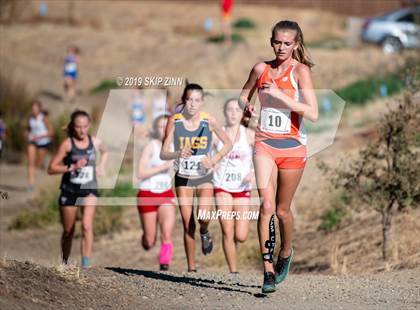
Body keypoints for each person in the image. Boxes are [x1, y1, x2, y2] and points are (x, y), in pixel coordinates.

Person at [239, 20, 318, 293]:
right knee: (267, 207)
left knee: (283, 211)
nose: (281, 47)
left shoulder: (301, 72)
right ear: (270, 41)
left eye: (287, 43)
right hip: (264, 144)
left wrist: (282, 98)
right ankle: (267, 270)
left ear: (295, 44)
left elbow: (313, 112)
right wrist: (245, 107)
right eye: (277, 42)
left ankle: (285, 253)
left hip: (293, 147)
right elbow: (243, 95)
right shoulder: (261, 68)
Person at [160, 83, 232, 272]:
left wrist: (214, 158)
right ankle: (191, 268)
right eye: (189, 99)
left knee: (203, 216)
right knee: (187, 222)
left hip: (204, 176)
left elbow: (227, 143)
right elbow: (163, 152)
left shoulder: (209, 121)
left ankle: (205, 231)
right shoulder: (174, 121)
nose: (192, 104)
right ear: (184, 100)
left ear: (202, 102)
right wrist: (178, 153)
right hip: (183, 177)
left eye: (197, 100)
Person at [48, 110, 108, 268]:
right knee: (68, 231)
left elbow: (106, 151)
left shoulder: (95, 142)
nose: (82, 130)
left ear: (89, 125)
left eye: (85, 126)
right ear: (73, 127)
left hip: (89, 190)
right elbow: (51, 168)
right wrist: (72, 166)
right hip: (69, 191)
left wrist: (101, 166)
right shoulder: (67, 144)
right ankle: (65, 262)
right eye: (78, 127)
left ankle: (86, 265)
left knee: (87, 226)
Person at [213, 98, 254, 273]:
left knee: (241, 235)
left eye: (237, 110)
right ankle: (233, 272)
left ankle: (234, 253)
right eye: (229, 109)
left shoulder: (249, 134)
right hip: (222, 186)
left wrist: (253, 172)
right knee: (227, 231)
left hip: (242, 187)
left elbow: (262, 156)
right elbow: (204, 155)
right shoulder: (217, 134)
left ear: (242, 113)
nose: (233, 113)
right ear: (224, 112)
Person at [136, 114, 176, 271]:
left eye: (167, 126)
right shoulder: (151, 146)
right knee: (150, 239)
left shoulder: (175, 147)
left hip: (166, 194)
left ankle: (164, 264)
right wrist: (163, 167)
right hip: (147, 195)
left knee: (167, 233)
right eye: (160, 126)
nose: (164, 129)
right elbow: (140, 173)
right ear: (155, 130)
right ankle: (146, 240)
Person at [26, 100, 53, 191]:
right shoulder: (30, 117)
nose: (33, 110)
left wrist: (40, 136)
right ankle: (31, 184)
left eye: (35, 109)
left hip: (43, 142)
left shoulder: (43, 118)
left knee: (38, 162)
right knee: (30, 162)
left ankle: (41, 164)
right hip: (32, 141)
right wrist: (27, 133)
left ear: (39, 109)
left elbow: (51, 132)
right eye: (32, 109)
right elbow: (28, 129)